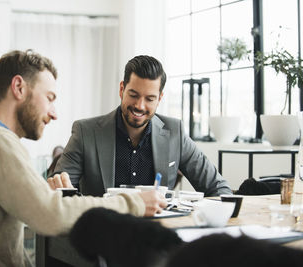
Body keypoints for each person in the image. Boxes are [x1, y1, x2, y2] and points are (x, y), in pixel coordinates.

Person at [0, 50, 166, 267]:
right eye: (49, 98)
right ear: (19, 87)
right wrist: (134, 203)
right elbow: (50, 215)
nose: (54, 114)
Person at [54, 55, 232, 197]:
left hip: (158, 235)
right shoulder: (86, 132)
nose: (140, 105)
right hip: (104, 233)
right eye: (133, 94)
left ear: (159, 98)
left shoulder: (174, 132)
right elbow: (58, 191)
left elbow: (218, 187)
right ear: (122, 89)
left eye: (149, 98)